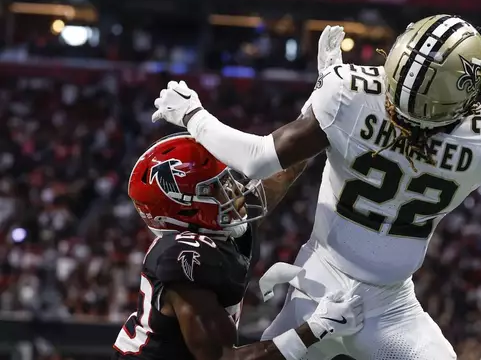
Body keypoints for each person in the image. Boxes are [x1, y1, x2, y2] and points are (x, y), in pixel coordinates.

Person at [150, 0, 481, 357]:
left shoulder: (349, 95)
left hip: (326, 283)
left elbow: (260, 157)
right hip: (386, 302)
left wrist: (194, 114)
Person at [112, 133, 365, 360]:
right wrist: (318, 327)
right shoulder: (183, 257)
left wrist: (320, 124)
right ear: (184, 207)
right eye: (216, 187)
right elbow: (225, 359)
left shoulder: (218, 229)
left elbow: (281, 175)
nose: (234, 190)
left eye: (227, 179)